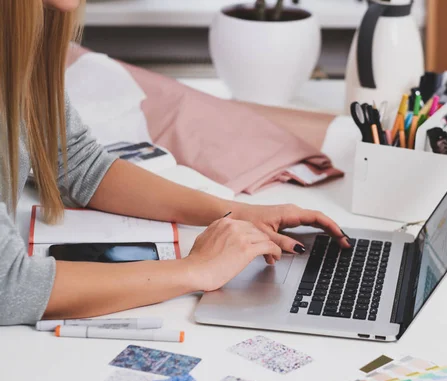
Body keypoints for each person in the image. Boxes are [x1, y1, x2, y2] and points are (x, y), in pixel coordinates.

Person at [0, 0, 350, 326]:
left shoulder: (23, 41)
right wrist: (197, 271)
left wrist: (236, 213)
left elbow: (77, 162)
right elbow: (8, 287)